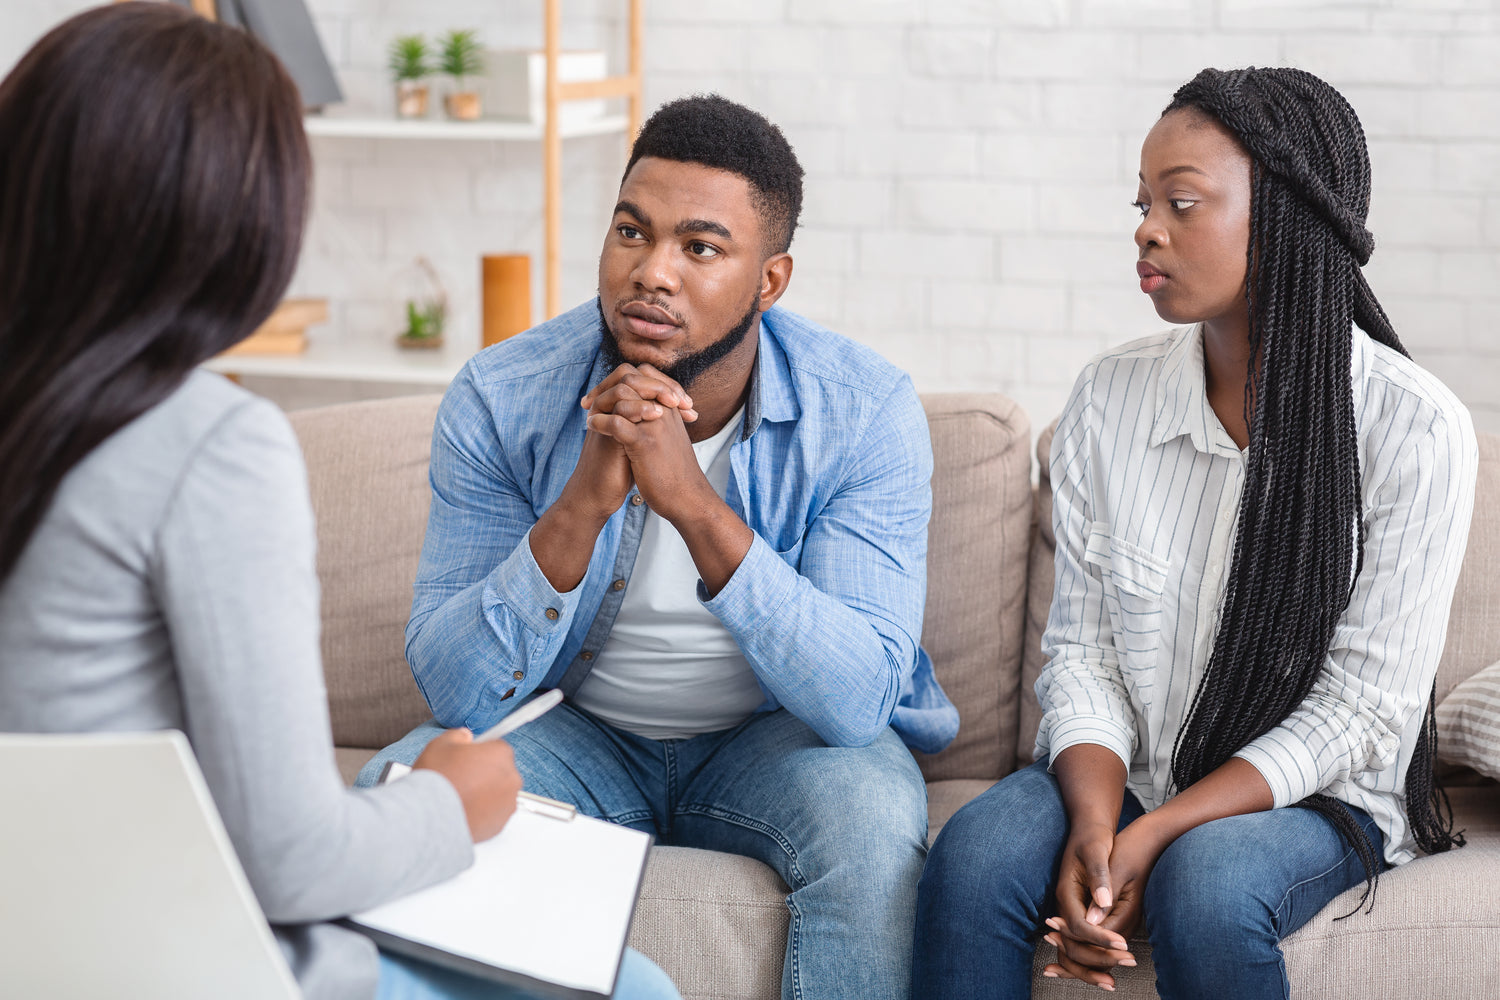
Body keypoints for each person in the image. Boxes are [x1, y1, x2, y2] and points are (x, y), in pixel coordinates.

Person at [0, 7, 679, 1000]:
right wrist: (455, 800)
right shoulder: (210, 447)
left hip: (31, 950)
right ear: (239, 220)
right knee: (640, 989)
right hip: (175, 967)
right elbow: (293, 858)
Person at [359, 94, 958, 1000]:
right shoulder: (500, 395)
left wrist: (694, 506)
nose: (653, 273)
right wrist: (580, 508)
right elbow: (457, 691)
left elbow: (856, 700)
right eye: (632, 232)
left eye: (701, 247)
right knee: (400, 791)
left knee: (874, 818)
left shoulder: (865, 412)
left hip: (772, 741)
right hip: (575, 730)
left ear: (771, 280)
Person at [912, 66, 1477, 999]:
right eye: (1142, 202)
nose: (1145, 228)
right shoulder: (1109, 397)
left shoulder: (1414, 429)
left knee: (1208, 887)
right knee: (974, 857)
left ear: (1289, 216)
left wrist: (1157, 835)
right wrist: (1098, 823)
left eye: (1182, 202)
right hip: (1136, 767)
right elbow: (1083, 654)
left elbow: (1365, 709)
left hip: (1315, 797)